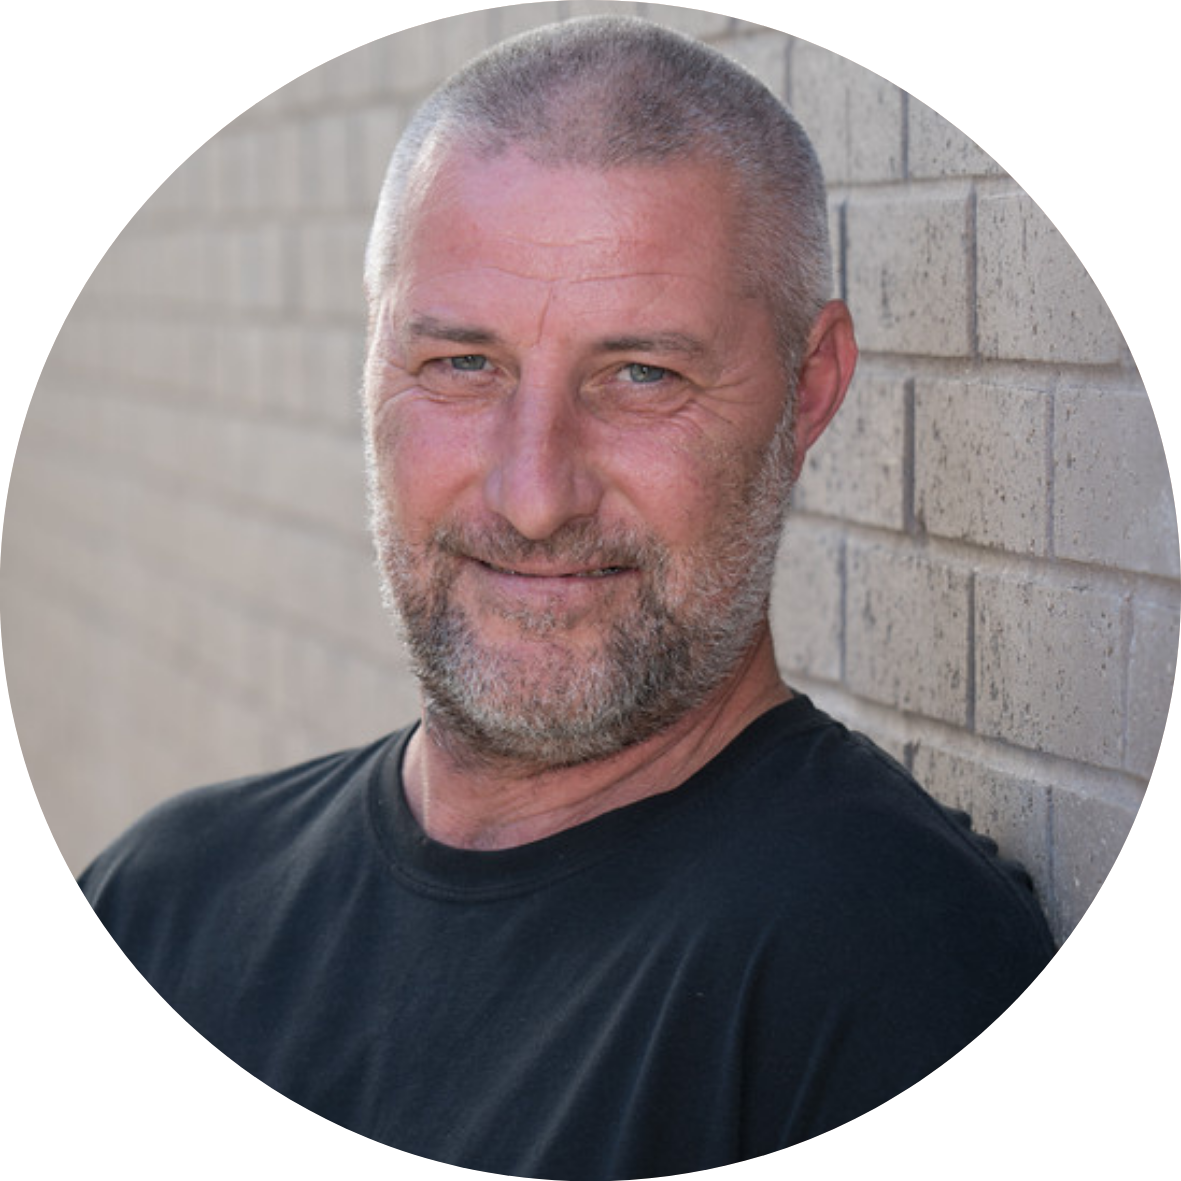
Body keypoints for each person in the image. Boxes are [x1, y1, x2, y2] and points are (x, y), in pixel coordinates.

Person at [80, 16, 1055, 1179]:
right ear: (372, 363)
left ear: (807, 389)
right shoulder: (160, 908)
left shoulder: (881, 976)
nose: (535, 494)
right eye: (462, 364)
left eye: (641, 374)